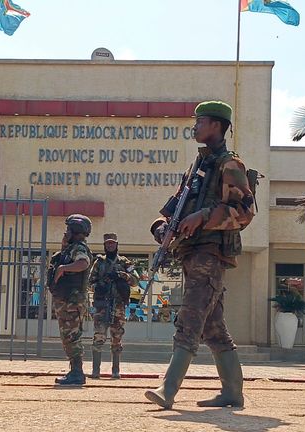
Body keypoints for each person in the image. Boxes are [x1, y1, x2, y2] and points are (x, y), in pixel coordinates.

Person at [144, 100, 255, 409]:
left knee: (191, 318)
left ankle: (168, 389)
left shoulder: (229, 165)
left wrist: (205, 216)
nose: (195, 126)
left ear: (217, 126)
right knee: (213, 327)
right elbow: (177, 210)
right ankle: (232, 392)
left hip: (211, 253)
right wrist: (163, 229)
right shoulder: (198, 167)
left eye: (201, 121)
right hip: (191, 252)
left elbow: (246, 211)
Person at [48, 214, 93, 386]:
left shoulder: (79, 248)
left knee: (72, 336)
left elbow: (83, 263)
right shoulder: (70, 248)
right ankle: (74, 371)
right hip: (67, 299)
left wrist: (63, 268)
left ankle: (77, 373)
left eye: (68, 228)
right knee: (68, 336)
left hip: (72, 300)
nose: (65, 231)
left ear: (75, 230)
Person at [87, 233, 139, 379]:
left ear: (117, 244)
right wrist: (99, 286)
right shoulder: (99, 263)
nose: (110, 246)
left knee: (117, 337)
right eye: (108, 244)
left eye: (112, 243)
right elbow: (90, 282)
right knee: (99, 336)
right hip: (102, 305)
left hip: (119, 306)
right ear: (104, 245)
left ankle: (115, 370)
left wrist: (122, 275)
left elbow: (135, 280)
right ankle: (95, 370)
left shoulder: (125, 262)